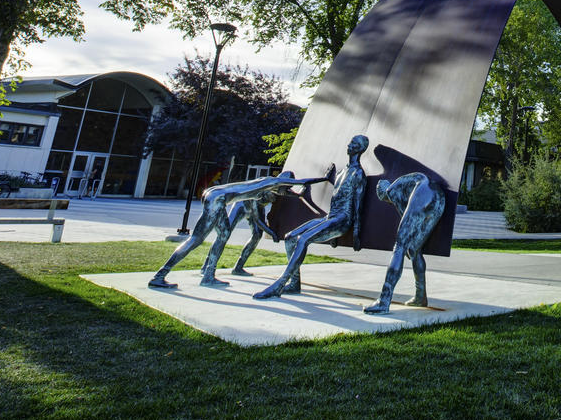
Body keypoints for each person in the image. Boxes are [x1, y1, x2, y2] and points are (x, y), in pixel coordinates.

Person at [147, 170, 325, 289]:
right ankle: (160, 276)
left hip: (217, 197)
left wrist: (301, 194)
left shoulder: (267, 187)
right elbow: (301, 182)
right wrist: (324, 178)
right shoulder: (271, 181)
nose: (284, 190)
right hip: (217, 199)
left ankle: (209, 275)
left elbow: (291, 193)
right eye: (285, 185)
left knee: (223, 235)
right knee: (196, 239)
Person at [253, 134, 370, 300]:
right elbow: (336, 197)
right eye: (351, 141)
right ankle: (294, 283)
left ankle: (280, 284)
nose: (350, 145)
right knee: (290, 237)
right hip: (331, 217)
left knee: (302, 239)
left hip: (342, 219)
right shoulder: (343, 172)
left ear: (360, 149)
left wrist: (356, 232)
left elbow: (358, 205)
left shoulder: (358, 174)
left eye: (354, 143)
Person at [364, 172, 445, 314]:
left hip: (424, 194)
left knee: (399, 247)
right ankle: (421, 297)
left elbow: (404, 218)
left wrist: (403, 240)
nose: (386, 201)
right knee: (415, 250)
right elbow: (409, 219)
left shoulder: (390, 191)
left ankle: (384, 301)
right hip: (438, 197)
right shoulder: (406, 184)